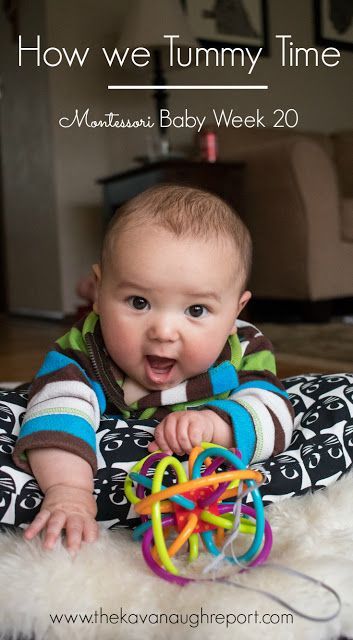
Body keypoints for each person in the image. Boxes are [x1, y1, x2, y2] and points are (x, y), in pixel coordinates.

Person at [11, 184, 295, 555]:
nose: (163, 331)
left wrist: (216, 424)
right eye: (139, 302)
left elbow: (275, 414)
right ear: (98, 293)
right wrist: (69, 491)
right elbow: (56, 412)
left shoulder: (242, 350)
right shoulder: (84, 351)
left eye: (196, 310)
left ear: (234, 315)